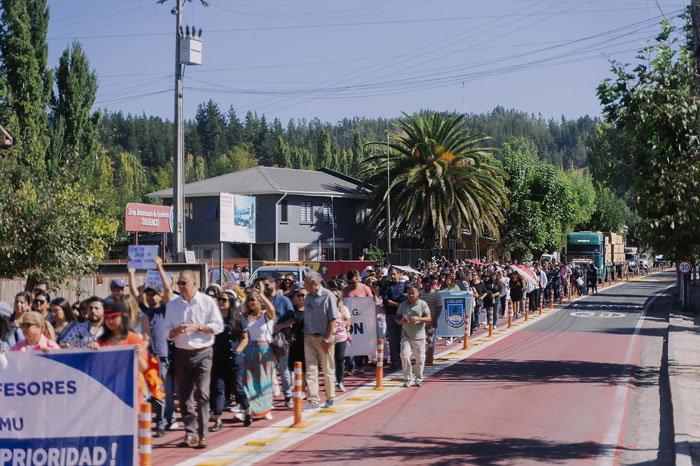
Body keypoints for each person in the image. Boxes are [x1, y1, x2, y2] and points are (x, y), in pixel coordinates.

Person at [164, 270, 224, 449]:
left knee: (203, 394)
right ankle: (189, 433)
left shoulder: (207, 302)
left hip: (203, 352)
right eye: (179, 284)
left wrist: (199, 327)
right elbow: (167, 333)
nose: (181, 287)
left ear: (193, 284)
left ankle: (203, 434)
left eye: (184, 283)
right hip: (181, 353)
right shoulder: (173, 305)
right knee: (184, 396)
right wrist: (177, 331)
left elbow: (218, 326)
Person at [133, 256, 175, 437]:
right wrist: (131, 271)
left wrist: (160, 267)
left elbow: (167, 289)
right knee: (149, 388)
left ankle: (161, 422)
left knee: (159, 387)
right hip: (146, 354)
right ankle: (160, 419)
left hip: (161, 354)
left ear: (159, 296)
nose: (150, 296)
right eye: (148, 294)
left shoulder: (165, 309)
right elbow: (135, 294)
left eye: (153, 294)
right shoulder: (145, 310)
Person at [211, 290, 251, 431]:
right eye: (219, 299)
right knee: (218, 390)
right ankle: (218, 421)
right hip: (218, 360)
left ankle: (247, 411)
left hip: (235, 360)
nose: (220, 302)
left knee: (238, 389)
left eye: (224, 300)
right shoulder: (214, 318)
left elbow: (245, 338)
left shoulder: (238, 317)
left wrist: (238, 351)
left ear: (231, 302)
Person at [303, 272, 339, 410]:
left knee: (327, 368)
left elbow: (333, 319)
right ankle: (313, 400)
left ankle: (330, 398)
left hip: (324, 338)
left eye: (306, 282)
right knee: (311, 369)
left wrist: (326, 338)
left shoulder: (328, 296)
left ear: (313, 283)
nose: (304, 284)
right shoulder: (308, 297)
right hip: (309, 337)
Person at [241, 286, 276, 420]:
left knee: (264, 381)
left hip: (265, 352)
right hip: (249, 351)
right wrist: (243, 300)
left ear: (260, 301)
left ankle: (265, 409)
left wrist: (262, 294)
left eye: (253, 300)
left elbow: (272, 309)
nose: (250, 302)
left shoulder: (266, 315)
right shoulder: (245, 316)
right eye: (249, 300)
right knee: (248, 381)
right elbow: (237, 313)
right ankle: (249, 409)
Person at [260, 275, 295, 408]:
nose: (265, 288)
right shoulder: (261, 300)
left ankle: (287, 396)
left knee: (283, 369)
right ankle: (267, 397)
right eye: (263, 285)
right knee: (266, 369)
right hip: (264, 340)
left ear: (274, 284)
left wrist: (280, 326)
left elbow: (293, 318)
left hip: (280, 339)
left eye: (267, 285)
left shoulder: (284, 300)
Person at [395, 284, 431, 387]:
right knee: (404, 355)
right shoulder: (403, 305)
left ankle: (418, 378)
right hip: (406, 335)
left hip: (419, 336)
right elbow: (397, 319)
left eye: (413, 293)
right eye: (409, 293)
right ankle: (407, 377)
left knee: (420, 358)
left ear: (418, 294)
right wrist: (402, 321)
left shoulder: (422, 304)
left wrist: (418, 319)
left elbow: (428, 318)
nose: (410, 295)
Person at [342, 269, 372, 374]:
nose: (351, 285)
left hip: (362, 321)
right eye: (349, 283)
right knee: (349, 344)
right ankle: (350, 366)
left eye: (353, 282)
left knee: (360, 344)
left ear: (358, 278)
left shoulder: (365, 289)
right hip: (349, 321)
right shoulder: (345, 291)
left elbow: (370, 304)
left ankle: (360, 365)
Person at [382, 268, 406, 370]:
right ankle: (394, 361)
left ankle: (403, 359)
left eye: (394, 274)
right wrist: (397, 305)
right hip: (391, 314)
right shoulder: (386, 286)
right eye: (390, 274)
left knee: (402, 338)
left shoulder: (404, 285)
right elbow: (386, 300)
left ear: (399, 275)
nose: (392, 276)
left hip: (402, 315)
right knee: (392, 339)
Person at [332, 290, 351, 392]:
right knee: (329, 360)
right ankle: (331, 381)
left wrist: (340, 322)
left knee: (340, 359)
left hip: (341, 337)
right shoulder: (327, 308)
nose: (333, 297)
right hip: (329, 337)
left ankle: (340, 381)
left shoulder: (344, 309)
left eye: (335, 296)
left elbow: (348, 321)